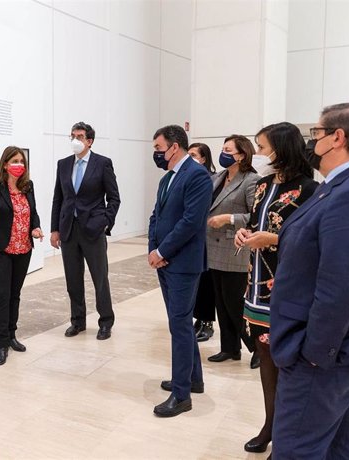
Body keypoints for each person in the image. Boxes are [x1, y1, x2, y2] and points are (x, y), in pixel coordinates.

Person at [270, 103, 349, 458]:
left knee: (296, 450)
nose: (311, 142)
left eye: (315, 134)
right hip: (337, 355)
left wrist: (315, 354)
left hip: (326, 359)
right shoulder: (343, 186)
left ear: (338, 137)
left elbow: (342, 286)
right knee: (343, 447)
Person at [234, 122, 318, 454]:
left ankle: (287, 433)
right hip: (256, 286)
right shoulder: (262, 185)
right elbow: (255, 221)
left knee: (290, 367)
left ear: (282, 148)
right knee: (265, 359)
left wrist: (273, 239)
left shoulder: (310, 189)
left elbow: (313, 240)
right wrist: (245, 233)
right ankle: (269, 424)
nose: (260, 153)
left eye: (264, 146)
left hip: (288, 289)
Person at [148, 125, 213, 417]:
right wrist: (153, 248)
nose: (156, 153)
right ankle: (192, 379)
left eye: (159, 148)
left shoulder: (197, 175)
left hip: (183, 264)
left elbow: (190, 222)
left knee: (179, 325)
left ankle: (182, 395)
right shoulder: (167, 179)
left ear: (175, 146)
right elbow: (156, 215)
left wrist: (163, 251)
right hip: (165, 261)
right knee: (182, 323)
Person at [0, 146, 44, 365]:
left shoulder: (27, 186)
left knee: (15, 294)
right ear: (5, 164)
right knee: (2, 296)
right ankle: (1, 344)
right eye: (14, 161)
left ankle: (12, 335)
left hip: (23, 249)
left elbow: (33, 212)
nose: (19, 165)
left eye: (22, 161)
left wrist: (36, 228)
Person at [51, 122, 120, 340]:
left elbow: (114, 198)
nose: (75, 140)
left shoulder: (102, 163)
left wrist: (104, 222)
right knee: (73, 278)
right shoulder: (63, 164)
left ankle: (106, 321)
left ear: (89, 141)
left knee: (100, 278)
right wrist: (55, 229)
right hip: (68, 230)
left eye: (79, 136)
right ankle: (77, 321)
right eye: (72, 135)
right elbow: (58, 198)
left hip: (93, 230)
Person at [206, 135, 259, 367]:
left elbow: (255, 216)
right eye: (223, 148)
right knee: (220, 302)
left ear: (242, 154)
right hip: (212, 249)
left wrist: (229, 218)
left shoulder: (251, 180)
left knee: (235, 303)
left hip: (234, 247)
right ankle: (229, 348)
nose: (223, 153)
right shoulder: (218, 177)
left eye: (228, 150)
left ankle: (257, 348)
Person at [188, 142, 216, 342]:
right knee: (196, 284)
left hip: (211, 237)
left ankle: (207, 322)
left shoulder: (213, 178)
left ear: (204, 158)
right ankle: (198, 318)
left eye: (194, 154)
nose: (190, 157)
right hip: (194, 238)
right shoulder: (187, 176)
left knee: (207, 284)